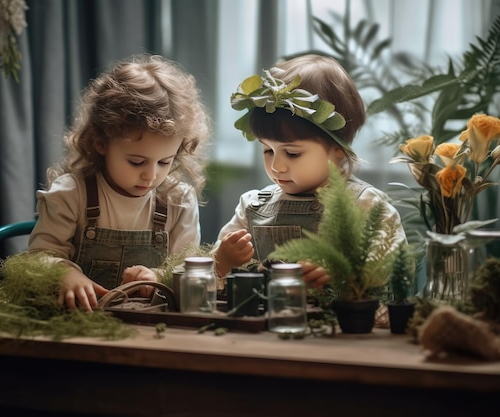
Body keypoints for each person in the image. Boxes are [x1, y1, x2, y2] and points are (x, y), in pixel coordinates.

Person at [28, 54, 211, 312]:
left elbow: (187, 266)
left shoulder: (178, 201)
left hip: (153, 323)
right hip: (80, 322)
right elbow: (40, 256)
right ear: (100, 143)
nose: (151, 175)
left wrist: (158, 277)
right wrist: (63, 273)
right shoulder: (71, 194)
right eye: (137, 162)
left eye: (164, 162)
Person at [214, 54, 406, 289]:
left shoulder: (364, 205)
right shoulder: (253, 206)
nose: (276, 166)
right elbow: (209, 276)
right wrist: (222, 261)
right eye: (267, 150)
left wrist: (339, 272)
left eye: (293, 153)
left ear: (337, 149)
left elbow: (393, 267)